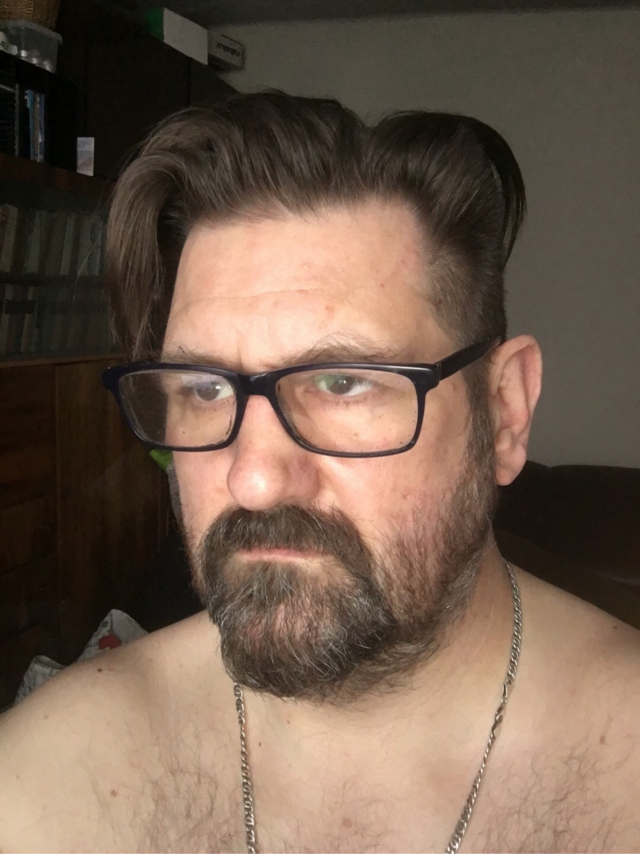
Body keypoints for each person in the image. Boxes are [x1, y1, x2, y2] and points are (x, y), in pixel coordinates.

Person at [1, 91, 639, 853]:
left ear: (504, 411)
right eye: (204, 388)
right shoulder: (45, 785)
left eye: (342, 382)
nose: (255, 481)